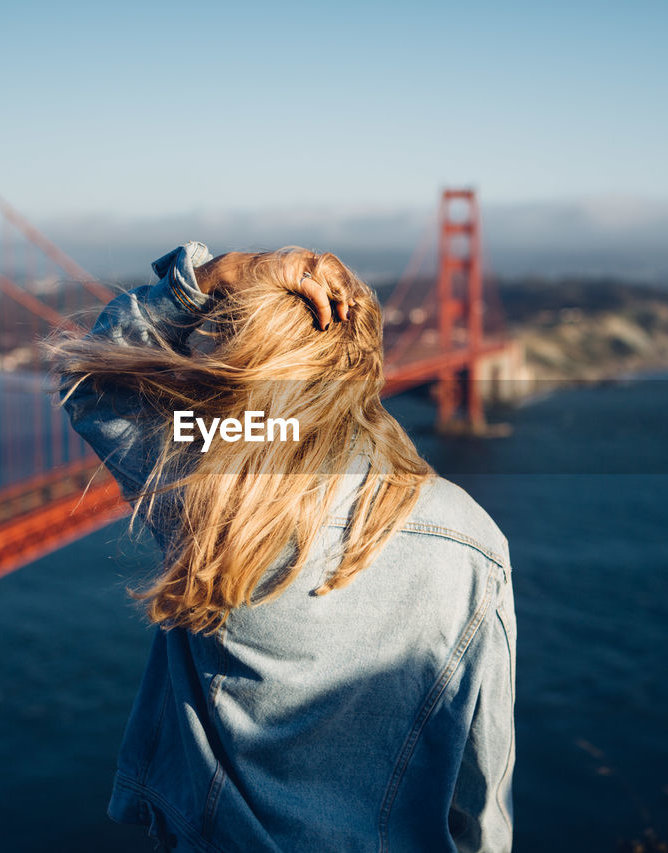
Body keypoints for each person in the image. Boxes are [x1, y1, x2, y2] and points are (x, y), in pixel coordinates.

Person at [46, 241, 515, 852]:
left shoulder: (209, 503)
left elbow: (92, 378)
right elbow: (483, 785)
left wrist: (215, 276)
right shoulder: (472, 538)